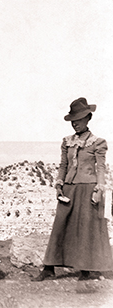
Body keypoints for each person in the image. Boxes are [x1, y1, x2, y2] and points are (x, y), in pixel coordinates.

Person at [33, 97, 113, 283]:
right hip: (68, 189)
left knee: (86, 228)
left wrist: (99, 189)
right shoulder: (67, 142)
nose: (75, 124)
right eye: (72, 120)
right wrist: (59, 184)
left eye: (78, 119)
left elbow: (101, 168)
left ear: (88, 118)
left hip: (88, 189)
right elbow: (63, 165)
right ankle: (49, 268)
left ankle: (86, 270)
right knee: (60, 225)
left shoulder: (98, 143)